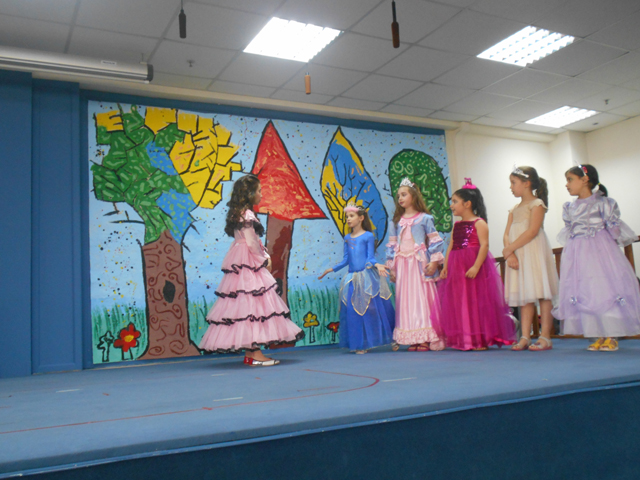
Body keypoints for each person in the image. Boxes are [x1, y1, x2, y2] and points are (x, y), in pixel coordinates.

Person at [199, 175, 304, 366]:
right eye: (259, 191)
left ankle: (251, 353)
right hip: (248, 259)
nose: (261, 195)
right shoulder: (247, 215)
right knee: (253, 305)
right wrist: (264, 259)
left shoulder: (238, 213)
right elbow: (252, 242)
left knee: (247, 305)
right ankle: (254, 353)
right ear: (249, 194)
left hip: (240, 257)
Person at [552, 164, 640, 351]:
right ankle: (598, 333)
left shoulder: (603, 203)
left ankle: (612, 334)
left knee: (604, 288)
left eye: (570, 180)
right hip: (578, 253)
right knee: (586, 289)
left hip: (600, 252)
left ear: (585, 180)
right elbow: (569, 231)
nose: (567, 184)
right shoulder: (569, 207)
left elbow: (614, 230)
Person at [439, 178, 516, 351]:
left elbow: (484, 245)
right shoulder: (457, 225)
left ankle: (478, 339)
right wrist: (446, 266)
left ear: (467, 204)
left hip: (472, 265)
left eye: (455, 201)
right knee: (460, 301)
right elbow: (451, 246)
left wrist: (475, 266)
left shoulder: (479, 223)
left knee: (474, 302)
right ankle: (465, 339)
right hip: (457, 266)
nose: (451, 205)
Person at [318, 204, 395, 353]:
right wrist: (331, 269)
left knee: (374, 309)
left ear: (361, 218)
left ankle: (390, 339)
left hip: (367, 278)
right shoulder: (347, 238)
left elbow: (369, 258)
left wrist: (377, 265)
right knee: (354, 311)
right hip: (352, 278)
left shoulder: (368, 236)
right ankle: (360, 344)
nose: (348, 219)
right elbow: (346, 260)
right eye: (347, 216)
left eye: (351, 216)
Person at [385, 178, 445, 352]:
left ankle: (424, 337)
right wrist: (392, 268)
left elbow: (435, 240)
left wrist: (434, 262)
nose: (400, 198)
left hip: (419, 264)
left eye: (404, 194)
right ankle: (413, 337)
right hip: (403, 265)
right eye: (398, 196)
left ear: (413, 195)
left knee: (421, 299)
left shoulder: (425, 219)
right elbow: (392, 245)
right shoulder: (395, 221)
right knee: (406, 300)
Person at [503, 166, 559, 351]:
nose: (511, 187)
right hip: (518, 254)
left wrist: (510, 248)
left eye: (513, 183)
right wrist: (510, 253)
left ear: (526, 183)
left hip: (533, 252)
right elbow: (506, 233)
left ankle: (545, 336)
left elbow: (533, 231)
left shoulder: (537, 204)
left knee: (542, 292)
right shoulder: (513, 209)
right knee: (525, 295)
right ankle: (525, 336)